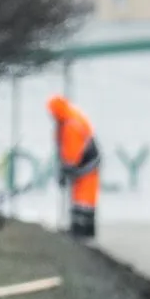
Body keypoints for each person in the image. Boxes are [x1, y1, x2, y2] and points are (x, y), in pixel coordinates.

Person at [48, 95, 100, 238]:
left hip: (85, 164)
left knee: (83, 199)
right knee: (85, 198)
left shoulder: (70, 125)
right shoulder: (69, 118)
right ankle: (85, 231)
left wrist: (66, 170)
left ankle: (81, 231)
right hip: (87, 163)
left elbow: (72, 154)